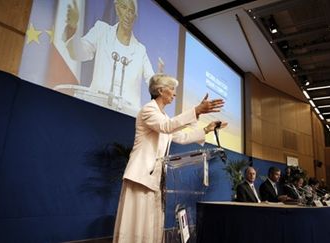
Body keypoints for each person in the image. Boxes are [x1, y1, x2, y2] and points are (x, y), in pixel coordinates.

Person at [113, 74, 227, 243]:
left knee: (148, 226)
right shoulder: (148, 110)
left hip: (154, 178)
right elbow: (167, 127)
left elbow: (180, 137)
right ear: (160, 90)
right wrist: (196, 110)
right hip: (141, 176)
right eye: (172, 89)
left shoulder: (164, 117)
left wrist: (207, 129)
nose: (174, 94)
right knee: (136, 224)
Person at [64, 0, 162, 115]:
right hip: (95, 109)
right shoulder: (102, 31)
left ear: (135, 17)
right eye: (124, 8)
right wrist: (72, 28)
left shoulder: (140, 51)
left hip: (126, 116)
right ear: (117, 8)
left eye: (131, 11)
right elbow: (78, 53)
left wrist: (160, 81)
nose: (127, 14)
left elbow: (151, 80)